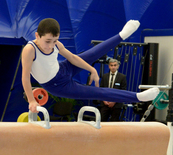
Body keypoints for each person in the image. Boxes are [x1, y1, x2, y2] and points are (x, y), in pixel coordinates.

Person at [21, 18, 159, 113]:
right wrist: (32, 101)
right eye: (48, 41)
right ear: (37, 35)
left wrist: (91, 68)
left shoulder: (57, 44)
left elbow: (73, 58)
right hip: (57, 85)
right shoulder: (30, 50)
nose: (51, 45)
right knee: (98, 92)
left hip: (64, 68)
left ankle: (121, 35)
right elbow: (25, 77)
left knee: (92, 53)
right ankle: (137, 97)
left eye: (55, 40)